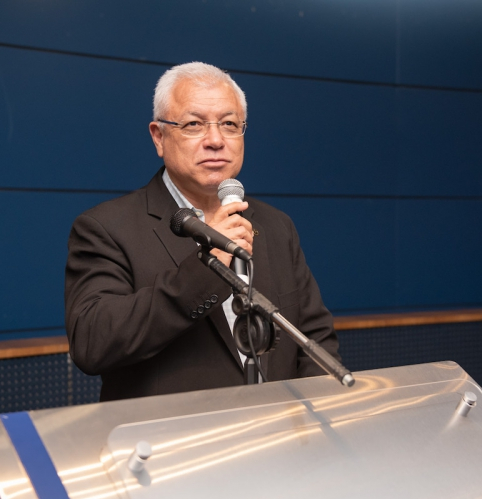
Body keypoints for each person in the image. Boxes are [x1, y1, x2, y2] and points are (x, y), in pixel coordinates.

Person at [64, 62, 340, 401]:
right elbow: (92, 343)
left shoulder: (275, 225)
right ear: (159, 137)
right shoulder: (106, 227)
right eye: (194, 124)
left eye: (229, 124)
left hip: (276, 428)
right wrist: (206, 270)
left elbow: (315, 339)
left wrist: (308, 418)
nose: (216, 140)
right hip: (177, 432)